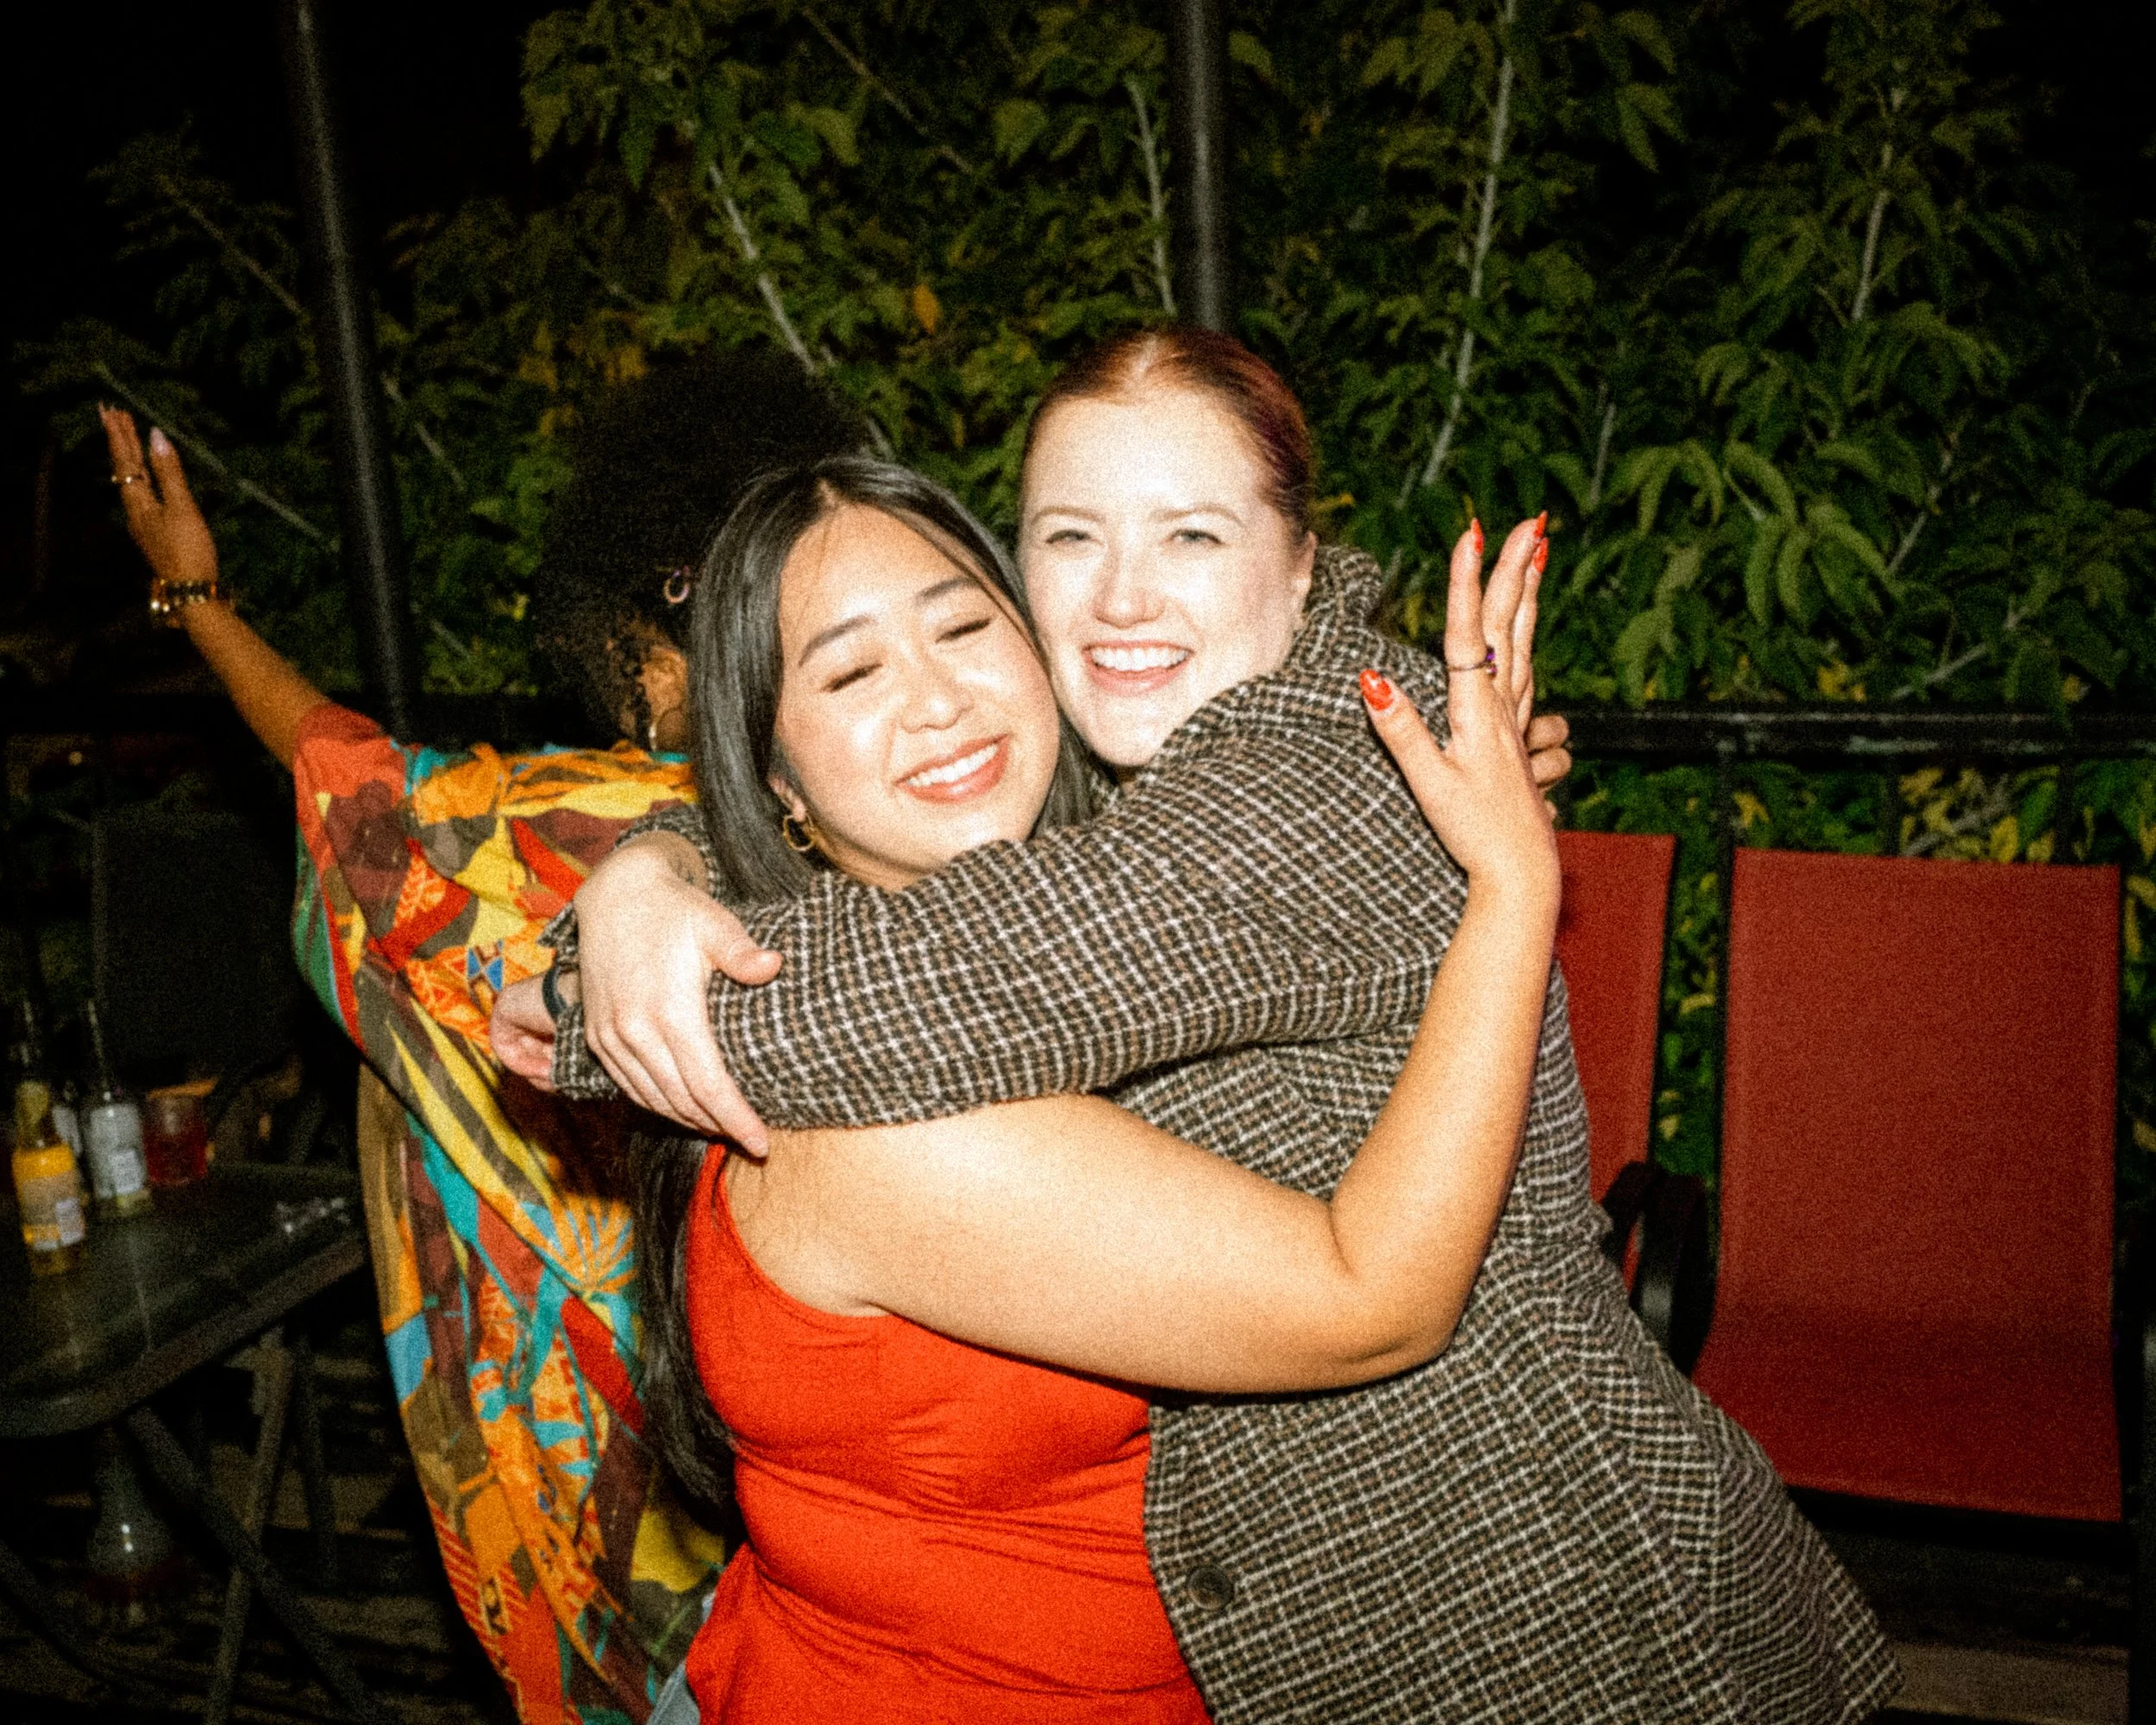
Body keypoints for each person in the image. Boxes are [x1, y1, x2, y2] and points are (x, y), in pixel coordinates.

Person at [498, 327, 1898, 1722]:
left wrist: (590, 988)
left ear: (1301, 564)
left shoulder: (1320, 776)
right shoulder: (1131, 788)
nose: (1120, 603)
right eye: (1067, 540)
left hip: (1561, 1609)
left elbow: (929, 986)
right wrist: (651, 868)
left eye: (1191, 538)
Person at [535, 449, 1560, 1722]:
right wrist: (1515, 889)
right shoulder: (876, 1123)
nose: (940, 701)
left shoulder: (1079, 929)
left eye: (967, 627)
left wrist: (651, 865)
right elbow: (1376, 1303)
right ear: (782, 784)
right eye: (852, 672)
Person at [96, 348, 868, 1725]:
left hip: (609, 1454)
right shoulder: (874, 808)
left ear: (639, 650)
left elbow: (350, 784)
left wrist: (198, 600)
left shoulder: (544, 832)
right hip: (834, 1442)